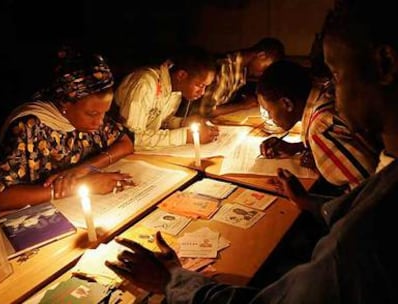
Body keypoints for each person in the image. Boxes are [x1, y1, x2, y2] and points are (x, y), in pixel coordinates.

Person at [105, 0, 397, 302]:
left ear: (385, 64)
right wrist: (311, 201)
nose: (330, 92)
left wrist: (171, 281)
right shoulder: (381, 183)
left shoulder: (363, 236)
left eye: (335, 76)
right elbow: (362, 195)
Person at [0, 47, 135, 213]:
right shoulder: (29, 126)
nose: (100, 122)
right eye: (92, 113)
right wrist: (79, 186)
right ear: (66, 103)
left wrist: (84, 168)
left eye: (104, 113)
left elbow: (125, 143)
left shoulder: (91, 116)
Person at [257, 59, 379, 194]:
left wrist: (302, 199)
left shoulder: (320, 128)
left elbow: (370, 191)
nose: (269, 117)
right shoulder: (325, 95)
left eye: (268, 111)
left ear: (287, 104)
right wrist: (297, 147)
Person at [113, 47, 219, 151]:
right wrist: (186, 136)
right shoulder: (145, 84)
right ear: (181, 75)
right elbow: (131, 137)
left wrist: (182, 123)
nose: (202, 92)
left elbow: (159, 121)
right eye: (199, 85)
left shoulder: (176, 90)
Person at [198, 37, 285, 118]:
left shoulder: (243, 70)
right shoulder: (226, 68)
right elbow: (206, 111)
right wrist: (243, 105)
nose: (263, 74)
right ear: (261, 55)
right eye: (266, 68)